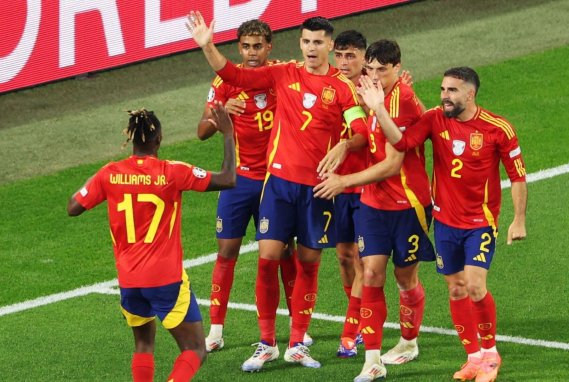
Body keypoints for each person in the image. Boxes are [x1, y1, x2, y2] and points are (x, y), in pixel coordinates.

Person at [187, 12, 369, 371]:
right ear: (299, 44)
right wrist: (207, 45)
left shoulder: (343, 87)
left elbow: (360, 130)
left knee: (308, 263)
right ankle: (267, 342)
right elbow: (233, 75)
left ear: (329, 46)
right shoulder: (283, 73)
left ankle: (298, 341)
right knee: (268, 259)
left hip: (318, 189)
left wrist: (345, 146)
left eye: (318, 42)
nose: (312, 48)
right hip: (280, 185)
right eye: (306, 41)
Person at [358, 66, 528, 382]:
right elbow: (403, 142)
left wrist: (518, 220)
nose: (444, 96)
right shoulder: (435, 118)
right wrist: (379, 107)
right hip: (445, 222)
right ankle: (473, 358)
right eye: (442, 90)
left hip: (481, 222)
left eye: (451, 90)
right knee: (456, 289)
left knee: (475, 286)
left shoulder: (497, 128)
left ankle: (490, 354)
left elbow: (518, 176)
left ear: (470, 93)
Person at [67, 104, 236, 382]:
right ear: (159, 140)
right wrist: (228, 134)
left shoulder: (109, 173)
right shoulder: (172, 171)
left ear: (132, 140)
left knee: (144, 345)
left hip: (129, 279)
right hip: (165, 278)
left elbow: (73, 206)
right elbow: (228, 178)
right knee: (195, 349)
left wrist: (104, 182)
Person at [315, 39, 435, 382]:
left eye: (384, 70)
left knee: (405, 277)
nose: (377, 76)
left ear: (397, 68)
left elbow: (391, 164)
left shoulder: (402, 103)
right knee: (370, 274)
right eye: (373, 69)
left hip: (408, 205)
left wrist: (343, 181)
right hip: (373, 204)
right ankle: (372, 360)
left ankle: (409, 342)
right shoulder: (370, 95)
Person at [196, 19, 311, 353]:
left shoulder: (281, 76)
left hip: (275, 180)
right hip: (238, 181)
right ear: (238, 47)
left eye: (257, 46)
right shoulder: (223, 82)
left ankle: (295, 330)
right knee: (226, 251)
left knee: (284, 252)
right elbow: (201, 131)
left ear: (269, 47)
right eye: (245, 47)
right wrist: (219, 115)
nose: (251, 53)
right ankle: (216, 331)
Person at [330, 29, 368, 359]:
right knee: (343, 256)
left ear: (363, 57)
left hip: (367, 183)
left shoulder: (375, 86)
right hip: (336, 185)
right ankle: (357, 315)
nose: (344, 62)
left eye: (351, 55)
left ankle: (351, 330)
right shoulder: (326, 83)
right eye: (339, 55)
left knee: (361, 259)